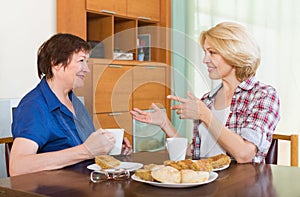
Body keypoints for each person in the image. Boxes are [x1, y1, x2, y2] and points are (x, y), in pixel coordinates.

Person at [130, 22, 280, 163]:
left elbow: (244, 154)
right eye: (205, 52)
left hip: (240, 187)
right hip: (206, 184)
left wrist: (205, 115)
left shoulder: (263, 95)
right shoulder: (207, 100)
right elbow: (194, 152)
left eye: (212, 52)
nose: (205, 60)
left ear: (235, 54)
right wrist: (165, 123)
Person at [10, 33, 132, 176]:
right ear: (56, 63)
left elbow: (85, 150)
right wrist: (86, 150)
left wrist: (109, 147)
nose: (87, 69)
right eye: (81, 61)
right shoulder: (33, 106)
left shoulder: (75, 102)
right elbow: (18, 167)